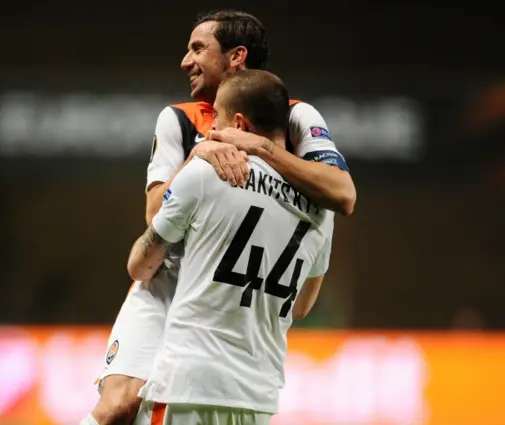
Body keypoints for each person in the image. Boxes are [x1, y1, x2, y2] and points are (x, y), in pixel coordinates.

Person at [79, 10, 354, 425]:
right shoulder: (178, 118)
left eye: (198, 48)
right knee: (120, 406)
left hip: (233, 296)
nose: (185, 62)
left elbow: (342, 193)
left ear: (236, 57)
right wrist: (195, 157)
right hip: (170, 283)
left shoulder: (293, 115)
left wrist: (259, 147)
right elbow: (156, 216)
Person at [128, 69, 334, 425]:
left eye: (218, 121)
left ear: (239, 124)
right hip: (257, 396)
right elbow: (302, 306)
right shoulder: (322, 209)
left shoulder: (206, 173)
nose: (211, 133)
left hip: (188, 384)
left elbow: (140, 266)